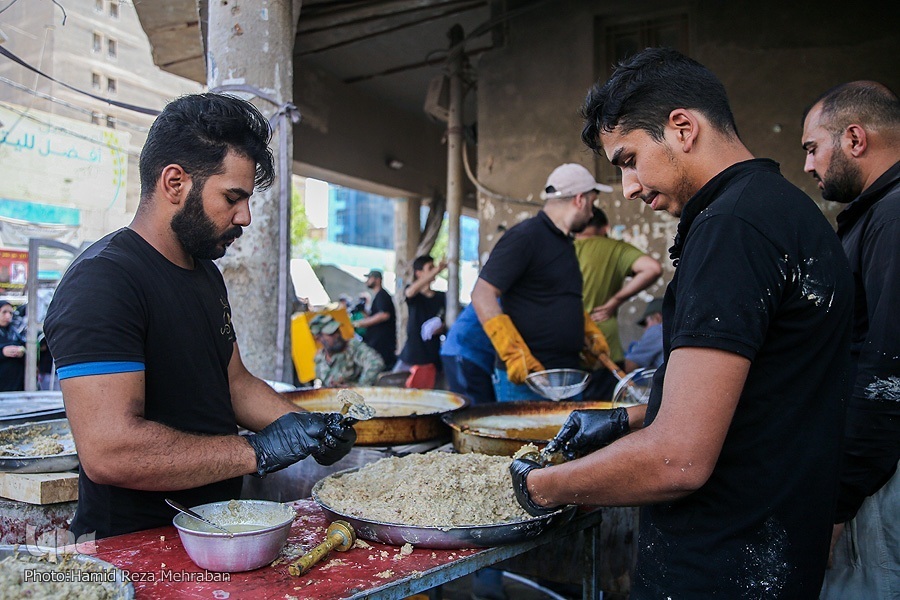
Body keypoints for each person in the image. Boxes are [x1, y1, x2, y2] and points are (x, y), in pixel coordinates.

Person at [509, 48, 854, 599]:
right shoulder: (788, 212)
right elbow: (765, 392)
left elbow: (678, 459)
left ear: (682, 127)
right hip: (780, 552)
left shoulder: (730, 227)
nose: (627, 187)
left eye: (628, 159)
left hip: (721, 564)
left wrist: (542, 486)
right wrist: (628, 420)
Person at [43, 93, 356, 540]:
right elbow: (109, 450)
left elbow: (234, 385)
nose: (244, 216)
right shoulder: (104, 282)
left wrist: (306, 429)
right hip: (135, 548)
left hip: (214, 531)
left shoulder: (204, 273)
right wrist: (259, 451)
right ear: (174, 182)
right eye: (232, 197)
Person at [800, 81, 900, 600]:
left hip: (881, 480)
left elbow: (888, 369)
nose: (809, 166)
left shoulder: (894, 215)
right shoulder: (877, 214)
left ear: (855, 139)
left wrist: (839, 499)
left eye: (812, 148)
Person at [471, 163, 612, 402]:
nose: (591, 213)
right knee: (527, 441)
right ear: (580, 200)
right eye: (592, 202)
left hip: (567, 374)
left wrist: (584, 330)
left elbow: (557, 296)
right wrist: (514, 354)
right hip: (529, 380)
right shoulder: (525, 237)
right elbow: (482, 293)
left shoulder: (564, 243)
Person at [576, 206, 662, 398]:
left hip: (567, 349)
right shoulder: (613, 248)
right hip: (604, 349)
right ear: (605, 227)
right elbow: (652, 268)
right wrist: (615, 301)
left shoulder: (560, 249)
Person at [395, 255, 446, 378]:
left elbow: (447, 322)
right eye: (430, 268)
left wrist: (440, 328)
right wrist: (437, 270)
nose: (434, 270)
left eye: (434, 268)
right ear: (419, 273)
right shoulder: (413, 293)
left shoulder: (441, 297)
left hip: (432, 356)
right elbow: (410, 292)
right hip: (412, 354)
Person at [440, 303, 496, 404]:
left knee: (483, 403)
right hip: (464, 351)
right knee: (472, 407)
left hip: (469, 353)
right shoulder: (501, 295)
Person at [310, 313, 384, 387]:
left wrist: (358, 388)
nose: (337, 335)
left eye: (337, 331)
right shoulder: (320, 359)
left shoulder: (353, 347)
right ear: (318, 338)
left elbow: (376, 363)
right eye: (331, 334)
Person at [356, 270, 397, 370]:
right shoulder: (379, 296)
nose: (367, 281)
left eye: (369, 278)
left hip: (382, 343)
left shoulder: (382, 295)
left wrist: (362, 323)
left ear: (377, 279)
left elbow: (384, 314)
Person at [623, 297, 664, 372]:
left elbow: (629, 366)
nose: (645, 329)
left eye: (645, 323)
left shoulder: (658, 330)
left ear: (657, 317)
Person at [0, 300, 25, 391]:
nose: (8, 316)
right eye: (4, 312)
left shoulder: (16, 331)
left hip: (15, 384)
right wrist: (2, 352)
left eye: (10, 313)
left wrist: (22, 351)